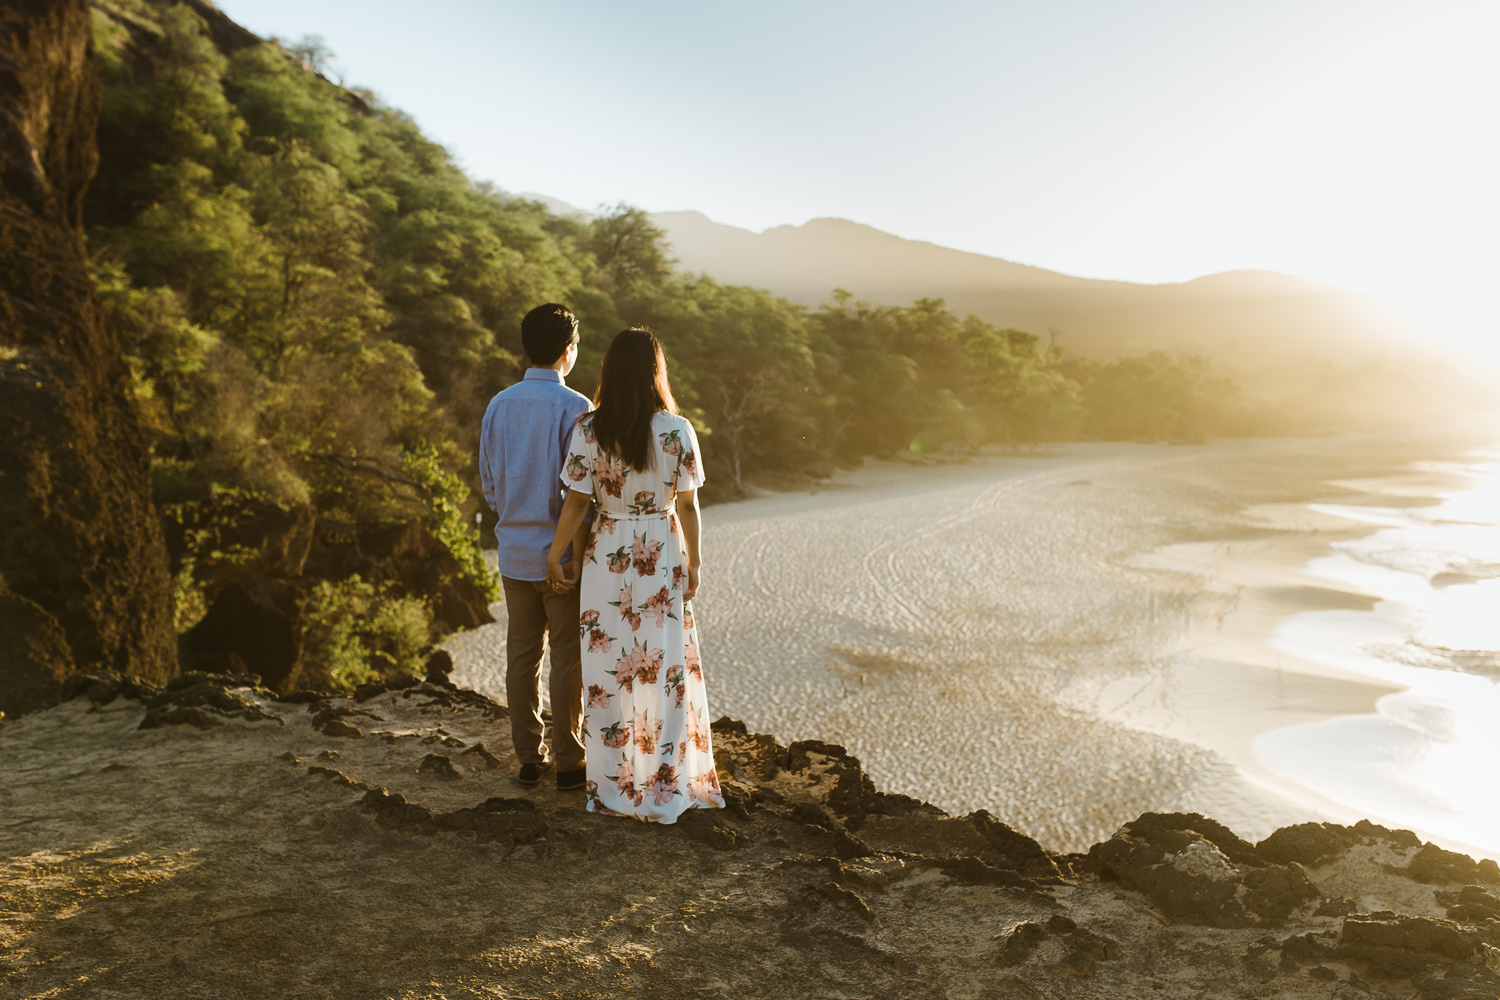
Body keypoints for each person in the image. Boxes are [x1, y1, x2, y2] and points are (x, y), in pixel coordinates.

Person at [546, 328, 725, 821]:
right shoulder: (676, 429)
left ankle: (615, 783)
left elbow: (577, 502)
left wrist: (556, 553)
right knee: (663, 668)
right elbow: (688, 506)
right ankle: (665, 783)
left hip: (607, 554)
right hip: (660, 552)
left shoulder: (588, 428)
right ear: (654, 371)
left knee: (609, 673)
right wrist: (694, 562)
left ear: (609, 370)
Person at [479, 303, 591, 791]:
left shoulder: (499, 404)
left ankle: (529, 756)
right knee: (567, 657)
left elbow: (488, 481)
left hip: (512, 550)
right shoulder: (578, 408)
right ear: (568, 351)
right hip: (560, 555)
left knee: (522, 656)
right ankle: (570, 761)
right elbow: (581, 495)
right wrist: (573, 552)